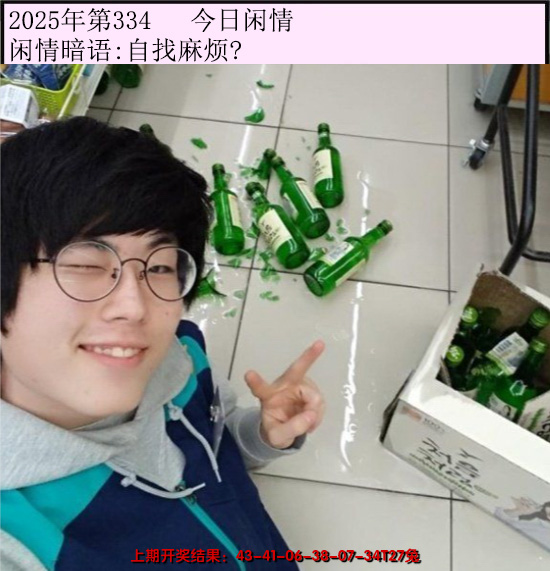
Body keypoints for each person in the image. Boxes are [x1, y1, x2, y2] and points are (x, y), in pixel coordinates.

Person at [0, 117, 326, 570]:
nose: (135, 306)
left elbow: (211, 443)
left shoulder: (180, 358)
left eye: (158, 267)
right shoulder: (19, 533)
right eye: (86, 264)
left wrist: (260, 436)